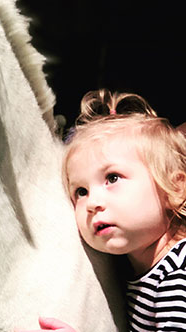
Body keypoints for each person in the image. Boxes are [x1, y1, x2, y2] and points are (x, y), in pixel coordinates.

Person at [15, 89, 186, 332]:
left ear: (176, 189)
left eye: (113, 177)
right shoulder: (143, 272)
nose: (93, 202)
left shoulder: (175, 278)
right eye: (81, 192)